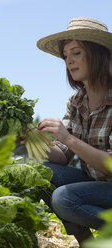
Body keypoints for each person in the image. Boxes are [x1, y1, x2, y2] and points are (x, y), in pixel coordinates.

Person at [36, 17, 112, 247]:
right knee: (41, 173)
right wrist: (35, 139)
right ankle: (88, 243)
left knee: (64, 198)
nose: (69, 61)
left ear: (97, 54)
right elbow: (63, 154)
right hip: (95, 182)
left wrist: (68, 137)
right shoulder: (77, 101)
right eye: (66, 56)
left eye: (76, 52)